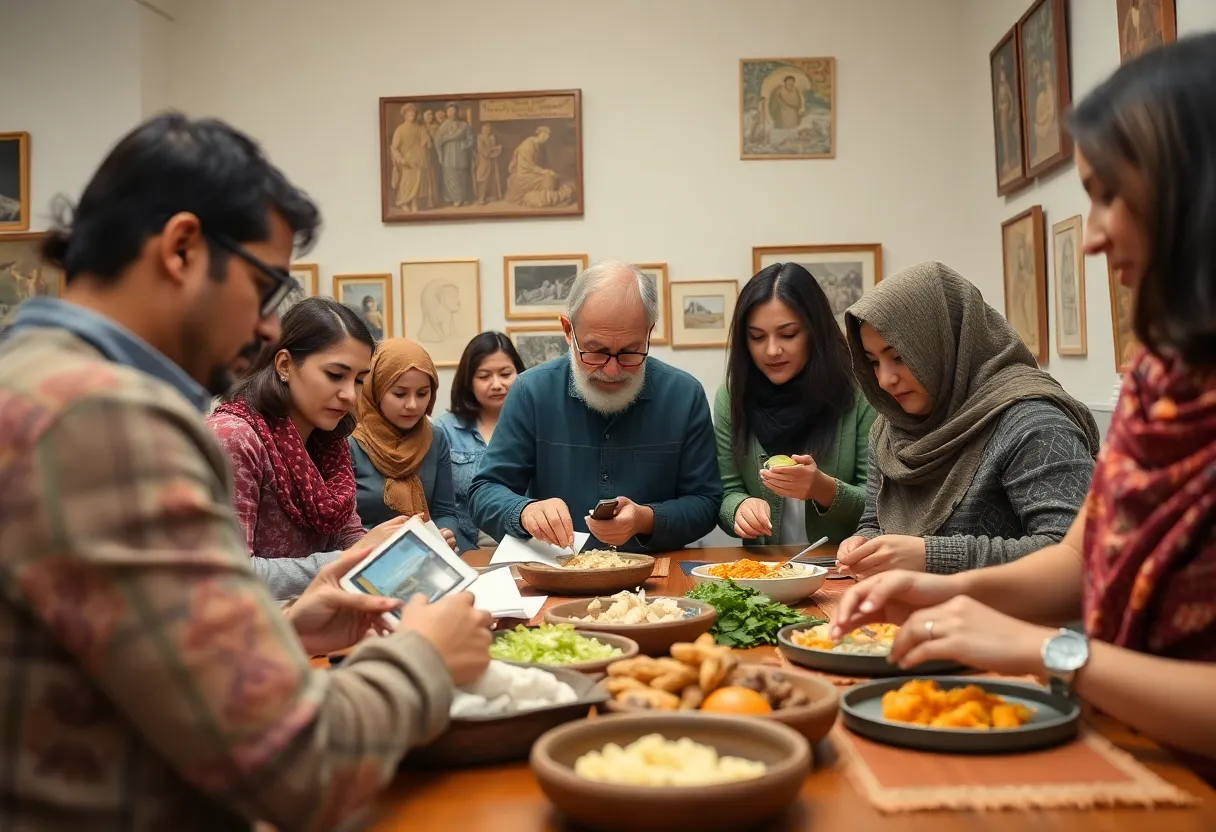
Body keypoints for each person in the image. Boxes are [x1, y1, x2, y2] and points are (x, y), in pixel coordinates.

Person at [0, 114, 491, 829]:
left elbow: (120, 673)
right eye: (266, 289)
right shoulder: (107, 420)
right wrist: (425, 658)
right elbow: (297, 769)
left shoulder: (35, 381)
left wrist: (289, 628)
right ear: (182, 248)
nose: (268, 327)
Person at [833, 34, 1216, 784]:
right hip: (1122, 751)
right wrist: (939, 588)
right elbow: (1078, 559)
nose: (1095, 236)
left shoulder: (1029, 418)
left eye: (1112, 194)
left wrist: (1046, 648)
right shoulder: (1155, 385)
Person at [836, 261, 1100, 578]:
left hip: (1017, 625)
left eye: (899, 357)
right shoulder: (891, 428)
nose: (885, 380)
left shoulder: (1033, 422)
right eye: (873, 362)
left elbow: (1078, 555)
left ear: (944, 345)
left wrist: (930, 555)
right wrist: (863, 543)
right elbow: (876, 520)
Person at [468, 259, 722, 552]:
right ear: (567, 331)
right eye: (596, 351)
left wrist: (645, 519)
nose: (612, 371)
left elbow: (706, 503)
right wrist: (524, 512)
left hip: (656, 578)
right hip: (557, 574)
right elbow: (483, 492)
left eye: (629, 352)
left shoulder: (684, 395)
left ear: (649, 333)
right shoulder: (531, 392)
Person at [209, 296, 405, 599]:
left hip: (314, 623)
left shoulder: (329, 444)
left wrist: (402, 548)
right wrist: (351, 558)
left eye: (358, 381)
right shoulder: (234, 437)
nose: (350, 396)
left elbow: (348, 537)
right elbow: (230, 575)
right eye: (336, 375)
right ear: (285, 365)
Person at [715, 263, 875, 545]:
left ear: (815, 331)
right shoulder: (731, 397)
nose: (772, 350)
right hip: (763, 573)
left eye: (788, 334)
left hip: (840, 569)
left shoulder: (858, 394)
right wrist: (739, 508)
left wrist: (823, 489)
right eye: (757, 337)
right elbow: (724, 492)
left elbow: (879, 505)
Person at [349, 338, 466, 551]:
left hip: (426, 559)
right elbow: (339, 530)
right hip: (363, 559)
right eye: (399, 393)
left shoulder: (434, 438)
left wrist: (445, 533)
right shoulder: (349, 441)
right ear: (375, 389)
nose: (412, 404)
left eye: (422, 393)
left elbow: (445, 512)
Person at [435, 331, 526, 549]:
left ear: (520, 374)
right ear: (468, 381)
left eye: (505, 374)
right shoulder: (444, 430)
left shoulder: (536, 424)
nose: (496, 384)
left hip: (529, 548)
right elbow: (441, 509)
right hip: (466, 549)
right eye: (484, 376)